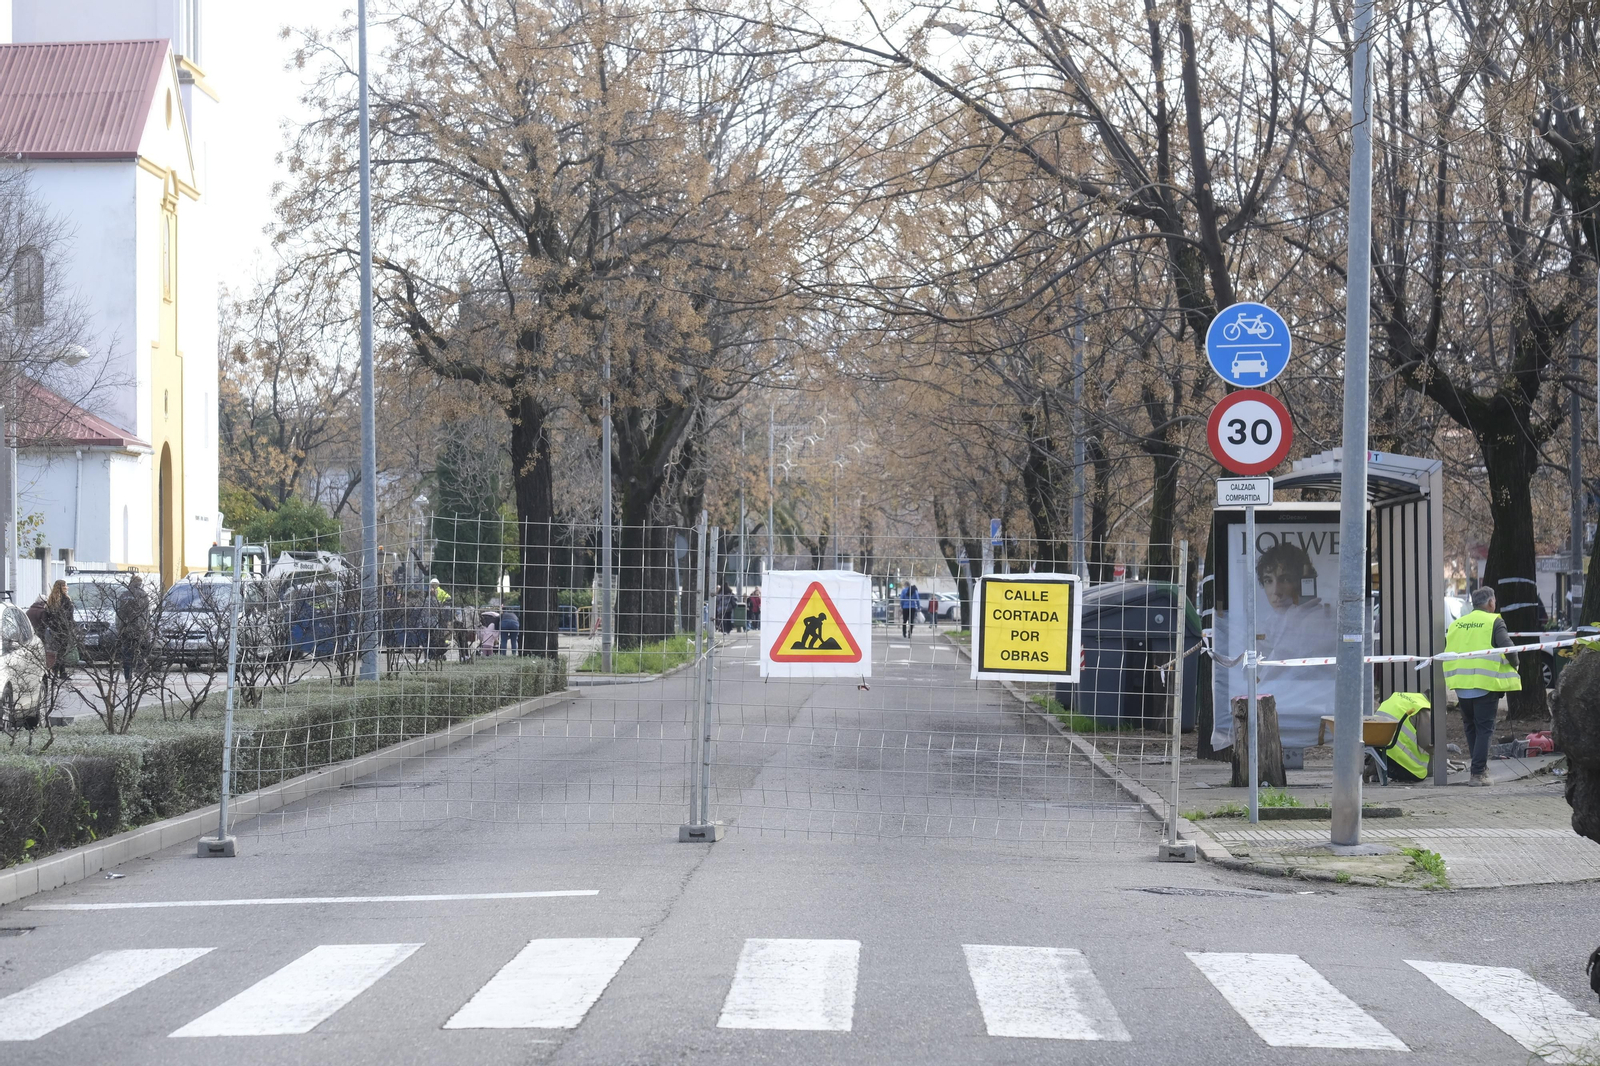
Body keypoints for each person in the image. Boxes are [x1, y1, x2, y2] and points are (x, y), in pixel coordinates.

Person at [1444, 586, 1521, 786]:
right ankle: (1478, 774)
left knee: (1471, 728)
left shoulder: (1458, 624)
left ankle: (1479, 769)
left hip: (1461, 685)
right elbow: (1508, 647)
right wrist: (1515, 663)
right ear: (1490, 603)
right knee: (1485, 729)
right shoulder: (1494, 620)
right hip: (1484, 685)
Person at [115, 573, 152, 687]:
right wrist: (147, 630)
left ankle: (127, 677)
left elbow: (119, 614)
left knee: (127, 654)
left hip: (126, 629)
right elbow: (147, 614)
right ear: (140, 584)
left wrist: (119, 629)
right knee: (141, 654)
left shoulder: (123, 595)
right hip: (140, 629)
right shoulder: (143, 595)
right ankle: (142, 677)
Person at [42, 579, 74, 679]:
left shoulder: (51, 600)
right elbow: (69, 616)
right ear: (61, 587)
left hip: (54, 630)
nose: (67, 588)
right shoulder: (65, 600)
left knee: (57, 651)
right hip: (64, 629)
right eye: (65, 586)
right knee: (62, 652)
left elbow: (46, 616)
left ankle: (59, 671)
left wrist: (51, 625)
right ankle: (58, 671)